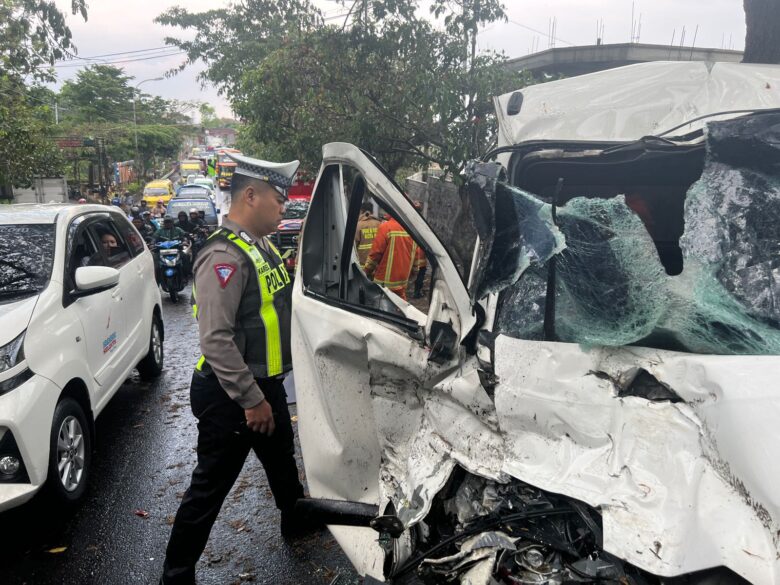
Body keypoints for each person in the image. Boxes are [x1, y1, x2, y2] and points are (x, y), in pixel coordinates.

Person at [160, 152, 315, 585]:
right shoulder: (223, 256)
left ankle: (296, 520)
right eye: (278, 200)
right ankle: (176, 574)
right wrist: (251, 400)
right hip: (231, 394)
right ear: (250, 195)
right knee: (210, 486)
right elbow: (215, 339)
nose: (284, 208)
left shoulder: (259, 246)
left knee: (282, 461)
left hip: (264, 385)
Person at [364, 214, 427, 301]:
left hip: (384, 283)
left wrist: (366, 271)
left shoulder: (385, 227)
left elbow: (375, 254)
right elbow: (416, 256)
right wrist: (413, 272)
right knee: (400, 305)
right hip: (402, 282)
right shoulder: (411, 230)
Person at [354, 201, 381, 267]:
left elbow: (354, 245)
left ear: (361, 211)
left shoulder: (359, 225)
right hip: (375, 264)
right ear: (372, 211)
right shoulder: (379, 224)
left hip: (362, 264)